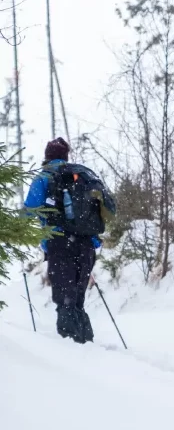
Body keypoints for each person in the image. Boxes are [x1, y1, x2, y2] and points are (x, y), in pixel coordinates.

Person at [24, 138, 104, 344]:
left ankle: (71, 351)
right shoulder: (82, 176)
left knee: (64, 298)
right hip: (86, 244)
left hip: (60, 243)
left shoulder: (44, 177)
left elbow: (29, 210)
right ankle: (87, 344)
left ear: (47, 156)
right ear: (66, 156)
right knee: (77, 298)